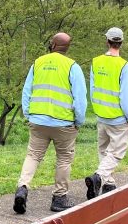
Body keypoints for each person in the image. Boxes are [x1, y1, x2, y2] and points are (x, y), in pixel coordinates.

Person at [13, 32, 87, 214]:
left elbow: (26, 91)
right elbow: (80, 99)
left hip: (38, 121)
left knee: (33, 155)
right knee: (63, 158)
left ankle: (22, 187)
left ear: (52, 45)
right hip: (64, 123)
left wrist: (29, 114)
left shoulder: (37, 63)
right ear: (67, 48)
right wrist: (79, 121)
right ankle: (59, 197)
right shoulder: (73, 67)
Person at [85, 27, 128, 199]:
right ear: (121, 42)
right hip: (118, 117)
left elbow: (92, 89)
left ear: (107, 41)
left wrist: (97, 108)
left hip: (101, 115)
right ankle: (99, 177)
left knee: (103, 149)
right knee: (116, 152)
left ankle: (108, 183)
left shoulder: (96, 62)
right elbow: (125, 96)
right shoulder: (124, 66)